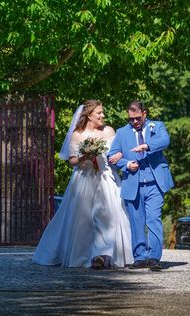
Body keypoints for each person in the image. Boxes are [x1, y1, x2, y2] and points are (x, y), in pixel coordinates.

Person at [32, 100, 133, 269]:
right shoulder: (77, 135)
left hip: (107, 177)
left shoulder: (109, 131)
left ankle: (104, 255)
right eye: (99, 113)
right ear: (89, 115)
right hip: (84, 178)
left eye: (102, 112)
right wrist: (84, 156)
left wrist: (118, 157)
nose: (103, 116)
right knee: (83, 219)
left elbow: (116, 153)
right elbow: (72, 161)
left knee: (110, 216)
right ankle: (83, 254)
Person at [108, 100, 173, 271]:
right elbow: (112, 155)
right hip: (133, 183)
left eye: (137, 118)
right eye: (131, 119)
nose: (134, 122)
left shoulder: (157, 126)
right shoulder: (122, 133)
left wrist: (147, 145)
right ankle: (139, 257)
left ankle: (153, 258)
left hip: (155, 183)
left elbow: (165, 140)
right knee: (136, 222)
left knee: (153, 219)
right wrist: (127, 164)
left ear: (145, 113)